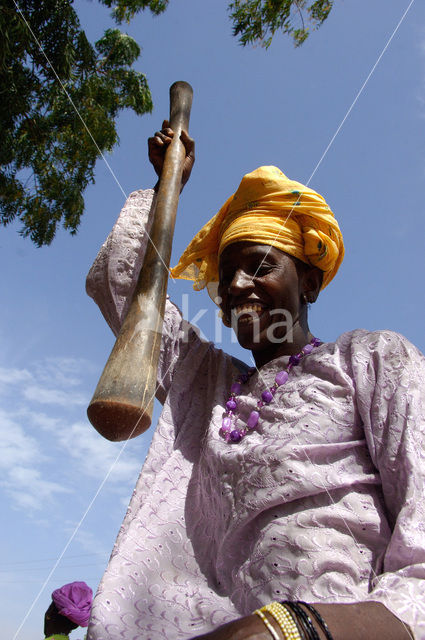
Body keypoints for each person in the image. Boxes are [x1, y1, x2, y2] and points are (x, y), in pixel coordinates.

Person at [85, 123, 425, 640]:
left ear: (309, 282)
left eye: (260, 266)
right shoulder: (206, 382)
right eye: (226, 276)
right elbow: (122, 284)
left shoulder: (371, 360)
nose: (237, 285)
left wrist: (296, 629)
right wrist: (166, 188)